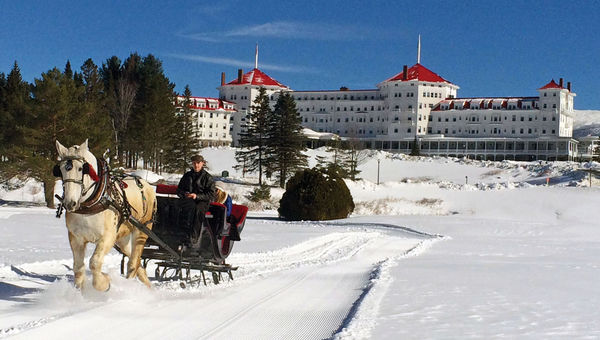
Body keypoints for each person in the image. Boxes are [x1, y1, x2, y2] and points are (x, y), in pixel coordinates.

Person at [177, 155, 216, 219]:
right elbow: (179, 189)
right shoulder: (187, 176)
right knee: (174, 206)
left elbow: (211, 194)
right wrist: (184, 194)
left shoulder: (208, 177)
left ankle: (195, 229)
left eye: (198, 163)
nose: (196, 165)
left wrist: (197, 196)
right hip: (187, 200)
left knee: (197, 210)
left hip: (202, 202)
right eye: (194, 163)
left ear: (202, 163)